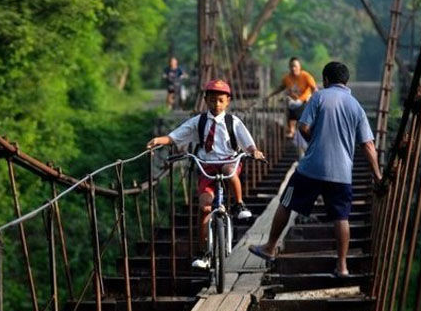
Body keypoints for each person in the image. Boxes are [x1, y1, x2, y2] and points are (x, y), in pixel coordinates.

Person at [249, 62, 382, 276]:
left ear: (326, 80)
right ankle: (342, 265)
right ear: (346, 81)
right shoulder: (356, 106)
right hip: (342, 173)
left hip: (311, 168)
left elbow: (302, 127)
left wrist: (314, 143)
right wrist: (377, 175)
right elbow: (368, 145)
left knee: (286, 201)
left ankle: (270, 247)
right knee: (342, 217)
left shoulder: (319, 97)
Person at [147, 79, 265, 269]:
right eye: (211, 100)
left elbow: (247, 142)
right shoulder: (199, 122)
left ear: (227, 101)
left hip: (228, 161)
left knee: (230, 171)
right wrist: (160, 140)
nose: (216, 104)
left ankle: (238, 204)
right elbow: (177, 135)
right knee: (204, 208)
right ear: (205, 100)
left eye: (220, 100)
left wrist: (254, 152)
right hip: (206, 166)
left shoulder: (232, 122)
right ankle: (203, 253)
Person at [266, 57, 318, 143]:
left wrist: (316, 99)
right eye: (291, 67)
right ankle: (291, 130)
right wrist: (269, 96)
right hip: (292, 102)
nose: (293, 69)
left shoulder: (305, 76)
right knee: (288, 104)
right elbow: (281, 87)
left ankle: (306, 131)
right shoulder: (287, 78)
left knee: (302, 116)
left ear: (299, 67)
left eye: (295, 66)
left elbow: (314, 88)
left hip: (303, 101)